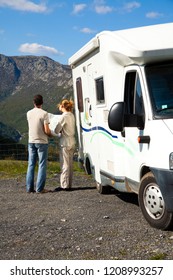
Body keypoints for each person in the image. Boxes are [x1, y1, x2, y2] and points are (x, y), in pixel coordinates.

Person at [26, 94, 52, 193]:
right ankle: (40, 189)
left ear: (34, 102)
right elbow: (47, 130)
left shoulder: (28, 113)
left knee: (31, 164)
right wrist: (51, 134)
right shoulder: (44, 114)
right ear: (42, 102)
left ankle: (29, 188)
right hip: (42, 142)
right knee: (42, 164)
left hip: (31, 141)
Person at [54, 99, 76, 191]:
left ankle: (64, 185)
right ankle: (69, 184)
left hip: (65, 142)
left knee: (65, 164)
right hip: (72, 141)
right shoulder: (71, 115)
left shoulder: (63, 116)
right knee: (70, 164)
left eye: (59, 106)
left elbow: (56, 130)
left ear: (62, 106)